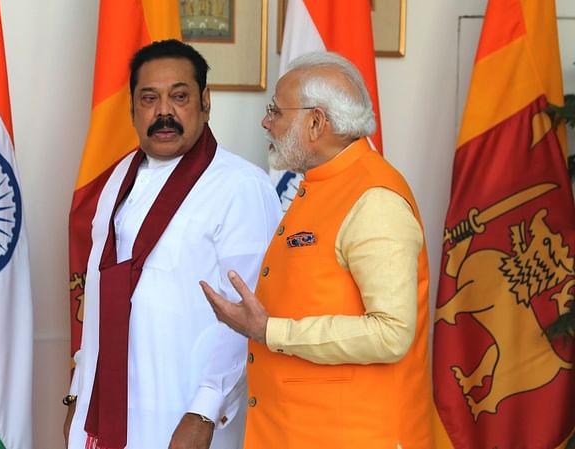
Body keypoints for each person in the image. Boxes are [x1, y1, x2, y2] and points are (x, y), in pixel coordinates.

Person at [200, 51, 434, 449]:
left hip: (355, 436)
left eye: (275, 110)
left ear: (315, 122)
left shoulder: (373, 198)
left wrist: (268, 330)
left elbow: (392, 333)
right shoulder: (322, 183)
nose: (266, 121)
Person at [64, 39, 281, 449]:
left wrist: (204, 410)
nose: (164, 112)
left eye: (179, 96)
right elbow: (98, 299)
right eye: (150, 98)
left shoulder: (241, 186)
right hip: (102, 412)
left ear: (205, 102)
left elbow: (248, 314)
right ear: (132, 109)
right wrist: (78, 391)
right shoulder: (116, 180)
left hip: (184, 416)